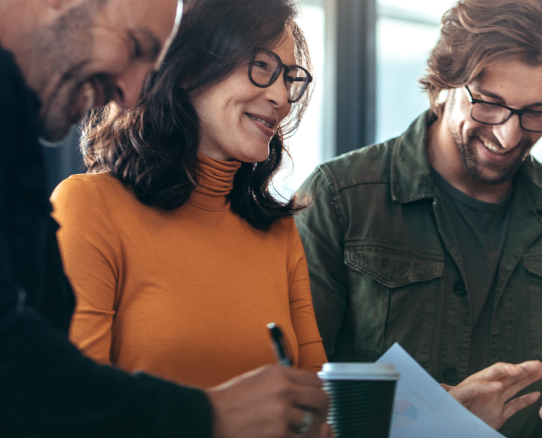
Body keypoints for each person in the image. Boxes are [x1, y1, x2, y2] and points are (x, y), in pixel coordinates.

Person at [0, 0, 329, 436]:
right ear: (189, 68)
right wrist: (213, 416)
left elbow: (318, 401)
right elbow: (62, 401)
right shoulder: (89, 206)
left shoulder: (278, 231)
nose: (282, 97)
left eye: (289, 78)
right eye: (262, 66)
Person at [295, 0, 542, 437]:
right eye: (489, 103)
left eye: (536, 111)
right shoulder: (339, 200)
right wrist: (434, 422)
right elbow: (297, 392)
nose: (509, 134)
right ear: (441, 86)